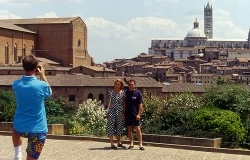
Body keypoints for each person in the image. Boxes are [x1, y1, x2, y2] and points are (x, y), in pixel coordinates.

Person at [12, 54, 52, 160]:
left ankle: (17, 154)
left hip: (20, 128)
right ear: (36, 68)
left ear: (23, 67)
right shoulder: (42, 85)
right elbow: (49, 93)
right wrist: (43, 76)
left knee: (15, 129)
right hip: (38, 130)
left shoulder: (16, 84)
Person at [124, 79, 145, 150]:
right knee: (129, 129)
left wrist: (139, 114)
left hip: (135, 114)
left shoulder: (138, 93)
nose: (130, 86)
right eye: (129, 85)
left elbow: (140, 105)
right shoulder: (125, 93)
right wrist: (123, 113)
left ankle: (140, 145)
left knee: (138, 129)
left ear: (134, 85)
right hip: (128, 114)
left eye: (132, 84)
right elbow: (123, 104)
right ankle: (131, 143)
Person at [106, 79, 126, 149]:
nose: (117, 85)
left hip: (120, 112)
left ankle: (119, 143)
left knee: (119, 127)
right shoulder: (110, 93)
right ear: (114, 85)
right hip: (112, 111)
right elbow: (108, 103)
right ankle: (112, 144)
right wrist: (107, 112)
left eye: (118, 84)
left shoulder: (123, 93)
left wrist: (124, 113)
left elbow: (124, 103)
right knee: (111, 127)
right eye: (116, 84)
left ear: (121, 85)